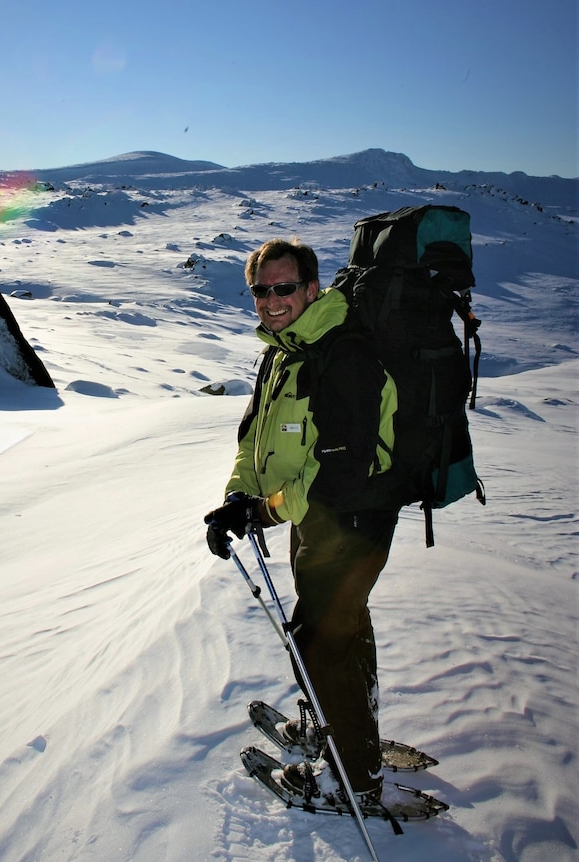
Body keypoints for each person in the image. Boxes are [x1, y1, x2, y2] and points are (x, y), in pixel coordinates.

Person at [204, 237, 399, 803]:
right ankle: (344, 730)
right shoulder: (284, 350)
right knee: (340, 630)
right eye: (260, 290)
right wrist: (237, 497)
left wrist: (262, 511)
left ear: (312, 289)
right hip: (314, 523)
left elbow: (332, 476)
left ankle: (354, 781)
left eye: (284, 287)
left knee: (320, 642)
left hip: (353, 519)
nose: (270, 299)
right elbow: (256, 441)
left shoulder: (343, 354)